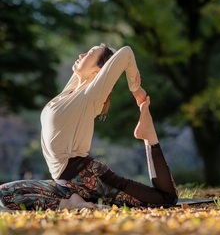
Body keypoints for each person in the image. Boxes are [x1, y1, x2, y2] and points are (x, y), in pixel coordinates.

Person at [0, 44, 178, 211]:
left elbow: (126, 53)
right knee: (5, 193)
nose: (81, 55)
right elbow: (81, 76)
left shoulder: (91, 95)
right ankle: (69, 203)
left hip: (88, 177)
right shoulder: (68, 93)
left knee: (166, 199)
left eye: (90, 54)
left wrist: (135, 88)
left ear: (98, 71)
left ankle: (149, 135)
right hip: (65, 185)